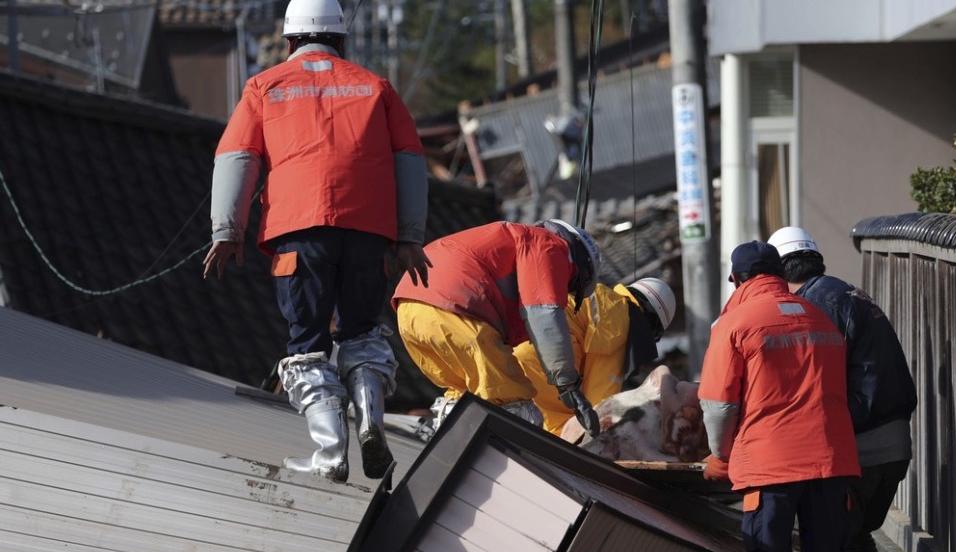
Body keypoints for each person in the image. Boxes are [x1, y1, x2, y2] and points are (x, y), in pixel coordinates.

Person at [204, 0, 430, 483]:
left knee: (306, 344)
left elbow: (237, 157)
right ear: (342, 39)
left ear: (288, 41)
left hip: (299, 232)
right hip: (370, 232)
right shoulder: (376, 87)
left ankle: (330, 454)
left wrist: (228, 231)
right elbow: (410, 158)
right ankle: (370, 418)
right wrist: (410, 237)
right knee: (362, 333)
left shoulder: (264, 87)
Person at [699, 241, 861, 552]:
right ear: (779, 271)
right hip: (830, 460)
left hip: (770, 465)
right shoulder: (820, 317)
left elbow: (718, 404)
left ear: (737, 279)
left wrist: (720, 454)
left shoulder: (736, 323)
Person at [768, 226, 918, 552]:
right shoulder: (847, 292)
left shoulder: (811, 306)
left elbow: (814, 381)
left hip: (858, 449)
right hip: (893, 446)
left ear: (778, 273)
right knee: (855, 538)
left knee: (834, 550)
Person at [392, 219, 603, 437]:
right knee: (516, 407)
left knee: (465, 398)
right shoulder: (548, 244)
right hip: (455, 310)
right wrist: (567, 383)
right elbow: (544, 313)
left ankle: (452, 450)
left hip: (410, 312)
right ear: (578, 266)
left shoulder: (508, 240)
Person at [513, 278, 676, 436]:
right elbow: (600, 405)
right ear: (651, 326)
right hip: (541, 365)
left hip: (515, 351)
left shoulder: (602, 297)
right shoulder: (622, 323)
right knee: (566, 433)